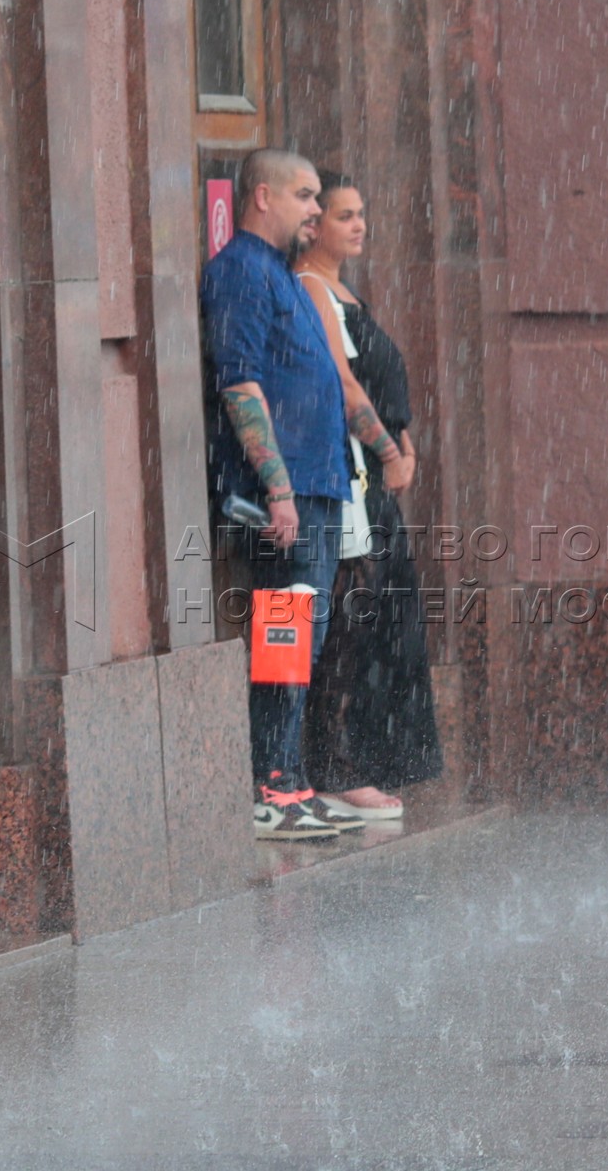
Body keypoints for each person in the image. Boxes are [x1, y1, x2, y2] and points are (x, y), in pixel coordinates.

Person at [202, 148, 372, 840]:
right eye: (305, 196)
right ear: (262, 196)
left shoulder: (277, 271)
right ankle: (270, 786)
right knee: (286, 635)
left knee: (305, 636)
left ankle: (290, 780)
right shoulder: (240, 270)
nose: (315, 210)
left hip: (314, 486)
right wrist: (276, 486)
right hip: (285, 494)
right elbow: (239, 382)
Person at [293, 172, 440, 819]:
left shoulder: (343, 290)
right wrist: (388, 452)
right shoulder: (310, 286)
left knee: (378, 622)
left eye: (361, 213)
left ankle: (364, 757)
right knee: (347, 627)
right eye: (343, 214)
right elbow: (345, 386)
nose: (358, 225)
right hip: (348, 482)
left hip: (369, 483)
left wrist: (400, 448)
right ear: (313, 226)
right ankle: (332, 764)